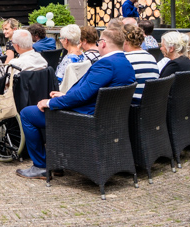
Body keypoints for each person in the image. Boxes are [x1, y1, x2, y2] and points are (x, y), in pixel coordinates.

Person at [16, 28, 136, 179]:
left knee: (27, 114)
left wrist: (52, 102)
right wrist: (66, 95)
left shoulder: (106, 64)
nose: (98, 45)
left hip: (83, 118)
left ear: (104, 44)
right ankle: (56, 164)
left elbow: (82, 96)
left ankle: (40, 166)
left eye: (99, 42)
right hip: (108, 118)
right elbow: (91, 92)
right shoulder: (125, 63)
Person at [123, 24, 160, 103]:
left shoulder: (126, 59)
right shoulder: (151, 57)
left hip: (134, 104)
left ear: (125, 41)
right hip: (150, 103)